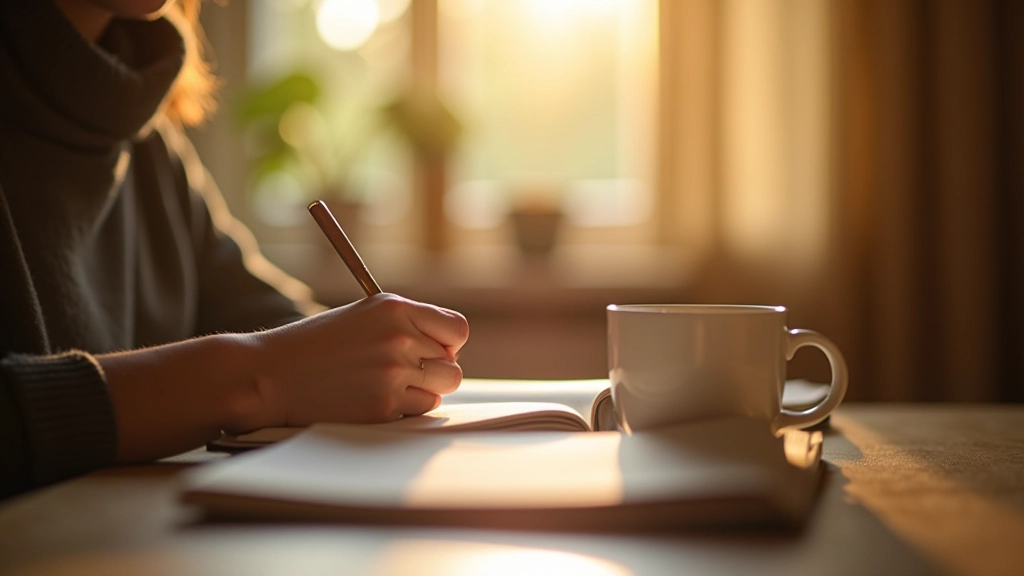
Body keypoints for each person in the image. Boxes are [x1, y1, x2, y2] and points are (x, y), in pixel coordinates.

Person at [0, 0, 469, 499]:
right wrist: (256, 379)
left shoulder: (146, 139)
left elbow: (275, 324)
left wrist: (373, 356)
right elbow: (277, 363)